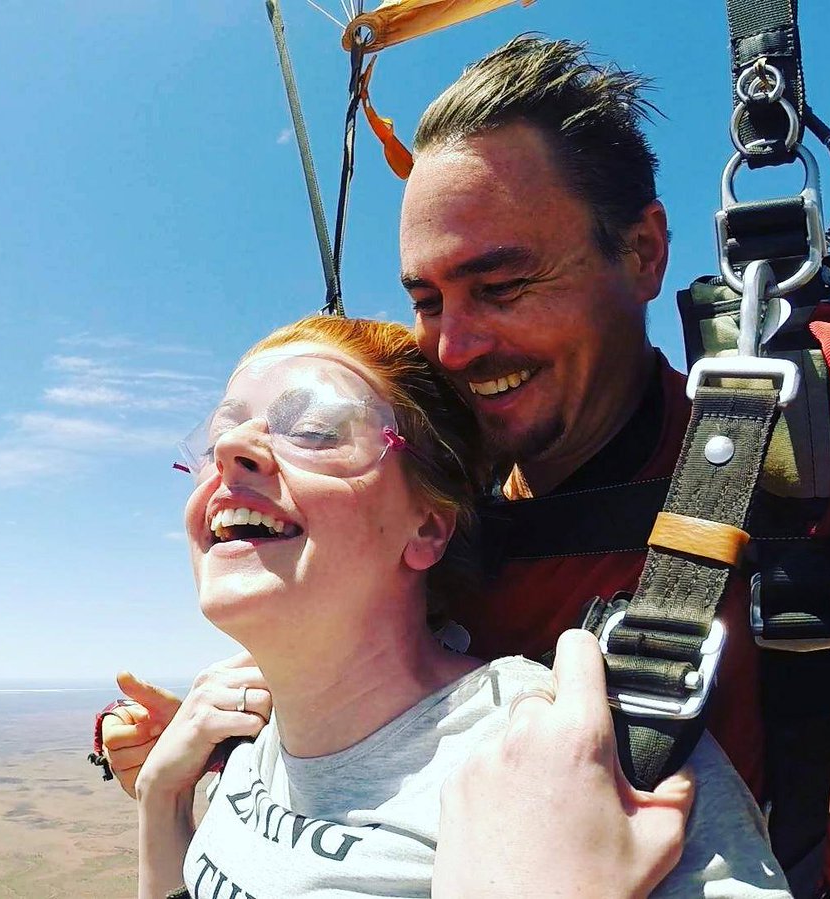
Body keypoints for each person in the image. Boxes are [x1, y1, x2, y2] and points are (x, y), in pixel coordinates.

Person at [103, 35, 830, 897]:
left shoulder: (803, 474)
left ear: (644, 252)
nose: (456, 346)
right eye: (427, 300)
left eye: (501, 285)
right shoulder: (424, 507)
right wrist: (226, 753)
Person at [137, 314, 788, 899]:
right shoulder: (250, 742)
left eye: (314, 430)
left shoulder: (561, 754)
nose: (230, 451)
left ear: (428, 526)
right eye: (219, 432)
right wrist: (162, 798)